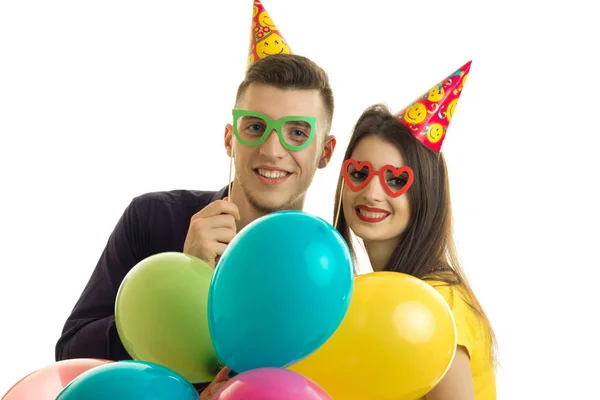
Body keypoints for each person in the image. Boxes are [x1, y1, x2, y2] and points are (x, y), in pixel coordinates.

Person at [54, 2, 337, 396]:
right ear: (229, 138)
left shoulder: (325, 273)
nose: (272, 149)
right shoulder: (151, 218)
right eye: (255, 127)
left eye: (297, 132)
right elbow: (70, 353)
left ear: (324, 152)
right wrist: (180, 282)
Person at [332, 62, 497, 399]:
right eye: (360, 173)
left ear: (425, 195)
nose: (372, 192)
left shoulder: (436, 305)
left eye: (395, 180)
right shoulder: (382, 298)